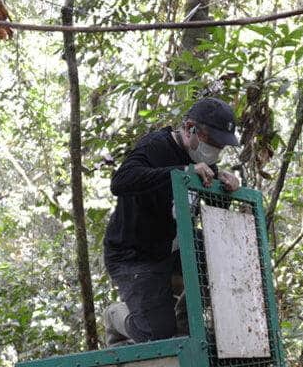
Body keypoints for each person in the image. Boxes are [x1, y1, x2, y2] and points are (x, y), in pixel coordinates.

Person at [103, 97, 242, 346]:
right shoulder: (156, 146)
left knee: (222, 251)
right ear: (190, 129)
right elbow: (121, 181)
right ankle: (116, 316)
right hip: (134, 255)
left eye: (221, 146)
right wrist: (178, 172)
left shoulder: (204, 161)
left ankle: (184, 322)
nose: (216, 151)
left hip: (173, 249)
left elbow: (214, 214)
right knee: (156, 336)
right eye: (213, 143)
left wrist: (226, 187)